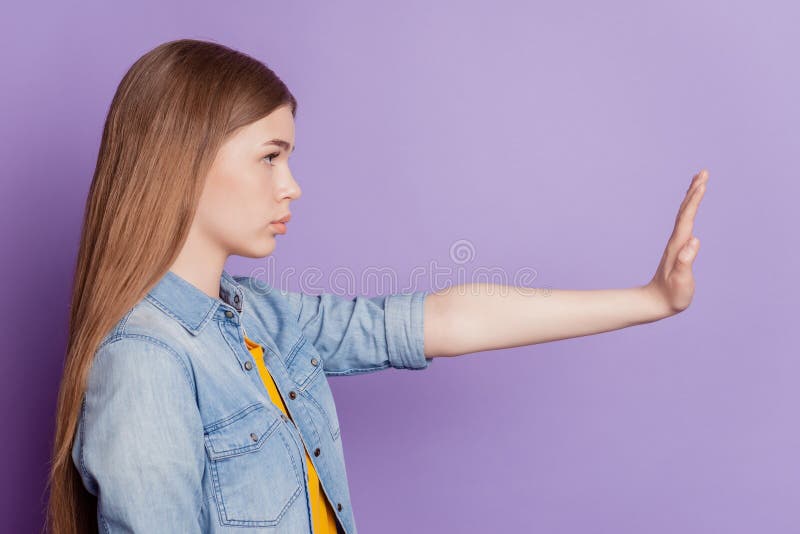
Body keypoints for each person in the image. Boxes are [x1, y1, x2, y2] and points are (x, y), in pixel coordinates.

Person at [45, 38, 708, 534]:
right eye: (270, 156)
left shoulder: (259, 317)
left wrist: (649, 300)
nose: (292, 185)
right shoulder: (146, 362)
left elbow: (443, 320)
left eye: (291, 158)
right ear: (183, 161)